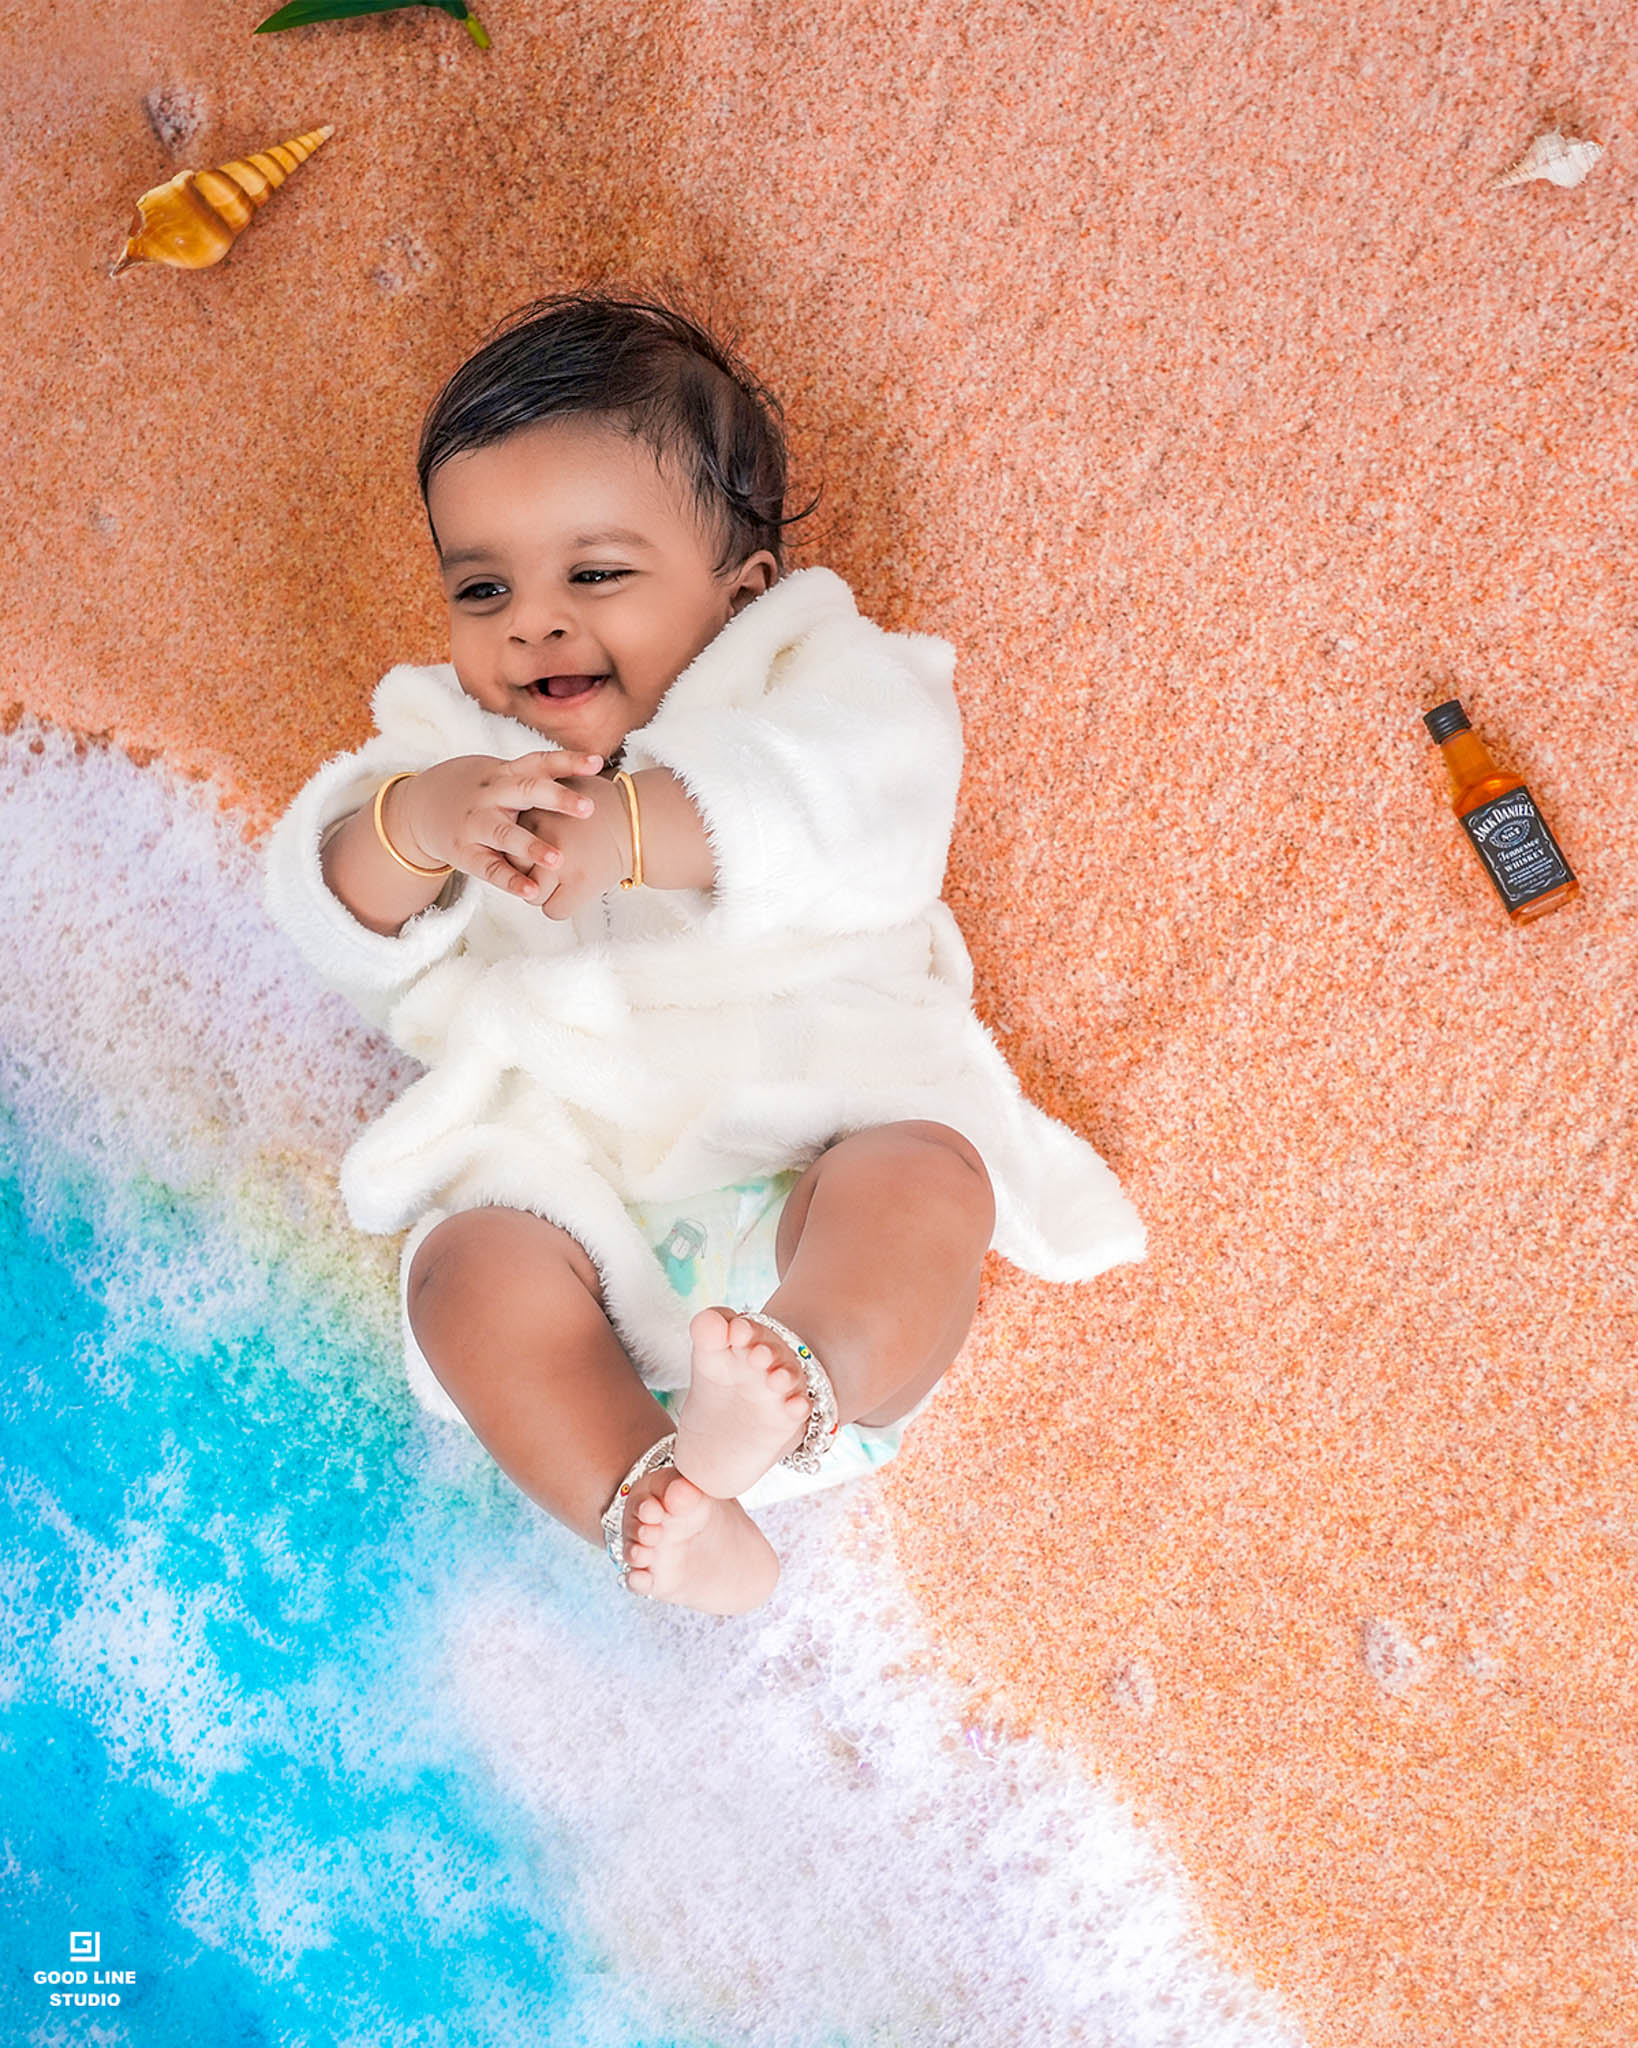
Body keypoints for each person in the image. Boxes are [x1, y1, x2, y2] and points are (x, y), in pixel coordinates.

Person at [262, 288, 1145, 1617]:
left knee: (926, 1175)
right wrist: (418, 821)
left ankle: (798, 1379)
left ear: (743, 595)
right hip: (573, 1199)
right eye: (483, 587)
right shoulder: (448, 746)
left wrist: (630, 831)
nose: (532, 623)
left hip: (813, 1157)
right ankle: (658, 1507)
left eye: (594, 575)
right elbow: (333, 908)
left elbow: (866, 798)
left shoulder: (818, 679)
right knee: (461, 1274)